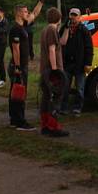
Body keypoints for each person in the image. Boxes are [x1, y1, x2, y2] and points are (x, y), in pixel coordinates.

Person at [8, 0, 48, 130]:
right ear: (19, 13)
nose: (27, 13)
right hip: (17, 66)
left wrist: (41, 0)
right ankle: (20, 122)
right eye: (25, 11)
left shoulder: (23, 24)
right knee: (20, 93)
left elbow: (35, 14)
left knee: (16, 92)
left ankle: (14, 120)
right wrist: (18, 67)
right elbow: (15, 49)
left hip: (21, 65)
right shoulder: (15, 29)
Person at [39, 7, 69, 137]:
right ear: (59, 18)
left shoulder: (46, 29)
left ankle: (45, 125)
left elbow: (61, 42)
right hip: (51, 71)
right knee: (55, 99)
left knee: (46, 98)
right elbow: (52, 50)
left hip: (45, 70)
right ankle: (53, 127)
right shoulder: (52, 30)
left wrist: (66, 28)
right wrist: (55, 70)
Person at [59, 8, 93, 116]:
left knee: (80, 88)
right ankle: (63, 108)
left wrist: (88, 63)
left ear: (79, 17)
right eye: (71, 15)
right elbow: (60, 42)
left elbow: (89, 48)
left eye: (75, 15)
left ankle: (77, 108)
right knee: (65, 87)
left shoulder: (84, 30)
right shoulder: (64, 28)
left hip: (80, 64)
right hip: (67, 63)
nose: (73, 17)